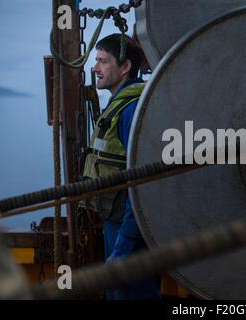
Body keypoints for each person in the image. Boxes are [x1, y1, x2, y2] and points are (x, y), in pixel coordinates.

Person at [82, 33, 160, 300]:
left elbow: (141, 187)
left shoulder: (131, 110)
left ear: (125, 67)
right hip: (116, 226)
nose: (95, 68)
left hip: (129, 233)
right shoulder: (119, 105)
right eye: (96, 61)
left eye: (103, 61)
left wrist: (122, 250)